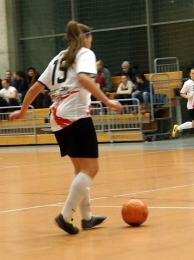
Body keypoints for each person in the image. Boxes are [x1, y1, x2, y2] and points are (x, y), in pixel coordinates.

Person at [9, 20, 122, 235]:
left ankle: (87, 218)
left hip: (57, 117)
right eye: (90, 35)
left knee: (80, 169)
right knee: (91, 169)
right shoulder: (85, 53)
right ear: (85, 36)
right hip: (75, 115)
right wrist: (108, 101)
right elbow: (83, 79)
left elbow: (34, 89)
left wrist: (23, 110)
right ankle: (65, 215)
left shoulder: (59, 57)